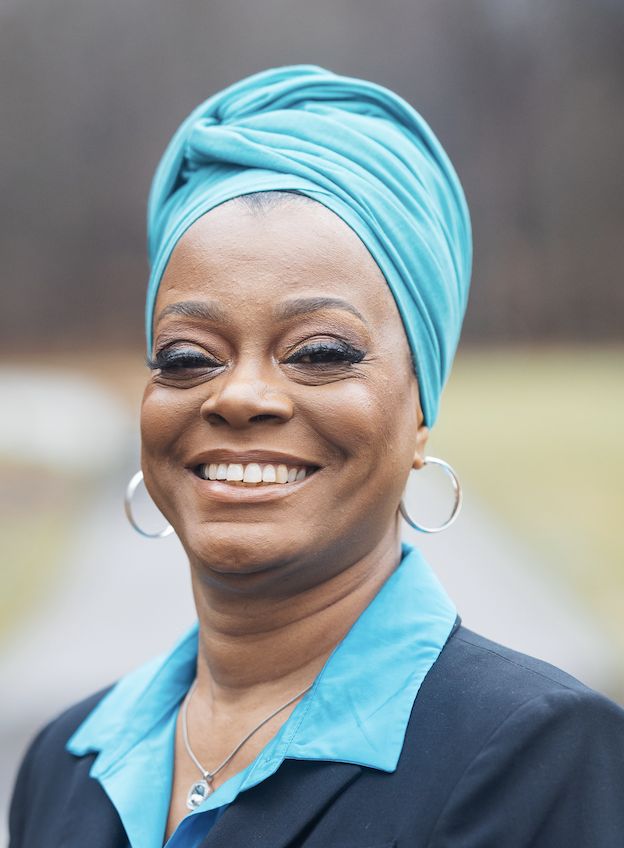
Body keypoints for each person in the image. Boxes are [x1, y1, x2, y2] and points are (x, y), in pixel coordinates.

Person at [9, 66, 624, 848]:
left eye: (320, 351)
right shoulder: (64, 762)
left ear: (420, 412)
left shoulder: (539, 758)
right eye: (188, 356)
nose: (238, 396)